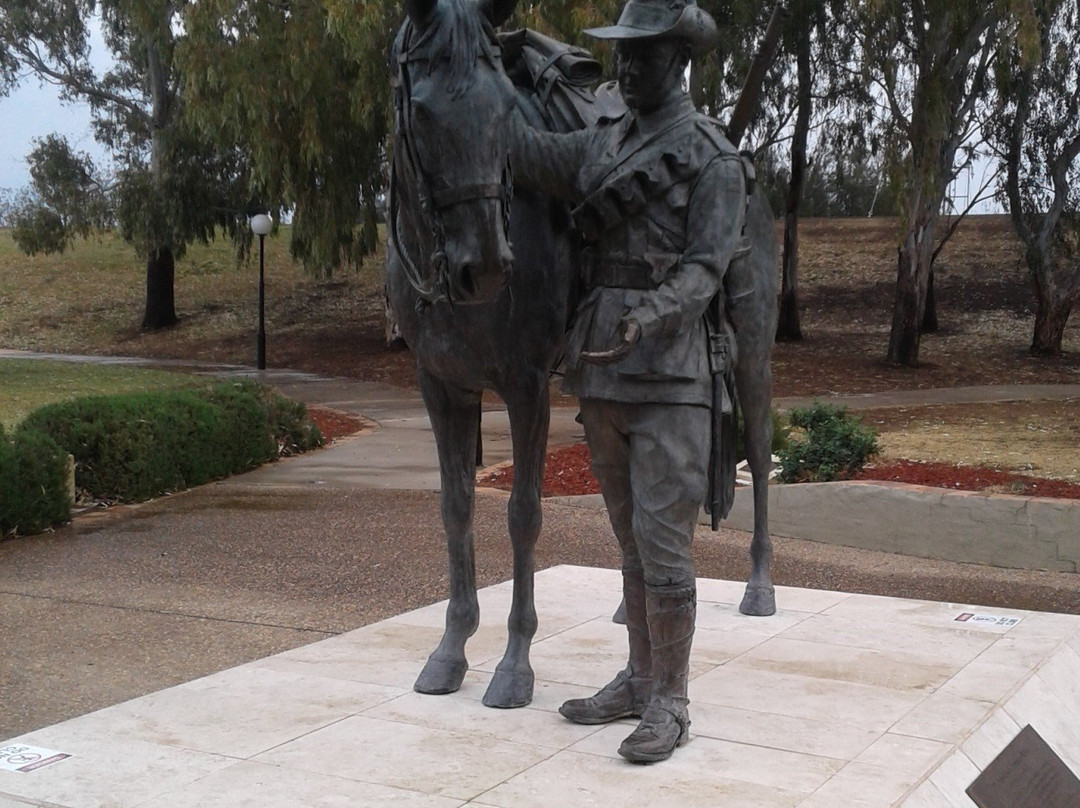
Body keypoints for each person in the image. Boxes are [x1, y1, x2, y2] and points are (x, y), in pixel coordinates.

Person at [509, 0, 751, 764]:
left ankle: (672, 702)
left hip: (674, 378)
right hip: (604, 376)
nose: (627, 66)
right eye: (623, 53)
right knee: (630, 542)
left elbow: (707, 269)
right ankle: (640, 677)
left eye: (644, 55)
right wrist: (482, 79)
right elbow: (531, 155)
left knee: (665, 545)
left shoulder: (711, 155)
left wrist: (649, 316)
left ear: (678, 61)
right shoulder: (603, 142)